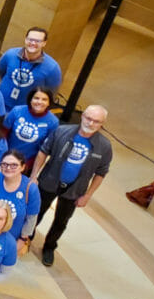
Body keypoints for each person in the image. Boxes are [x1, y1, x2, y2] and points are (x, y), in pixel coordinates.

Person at [30, 105, 112, 267]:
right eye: (88, 118)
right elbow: (43, 151)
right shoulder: (62, 132)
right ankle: (26, 238)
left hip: (75, 190)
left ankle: (49, 247)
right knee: (35, 213)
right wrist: (34, 176)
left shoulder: (104, 146)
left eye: (96, 121)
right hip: (49, 181)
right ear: (82, 116)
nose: (91, 123)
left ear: (102, 124)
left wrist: (88, 195)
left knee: (61, 221)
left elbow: (101, 173)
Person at [0, 149, 40, 256]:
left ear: (23, 167)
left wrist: (22, 239)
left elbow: (31, 218)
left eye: (14, 165)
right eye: (4, 164)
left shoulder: (30, 189)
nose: (8, 168)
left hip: (9, 240)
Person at [0, 27, 61, 109]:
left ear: (44, 43)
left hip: (26, 111)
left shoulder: (52, 67)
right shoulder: (10, 54)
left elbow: (51, 93)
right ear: (25, 39)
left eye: (38, 41)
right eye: (30, 39)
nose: (33, 43)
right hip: (0, 105)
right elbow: (1, 72)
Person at [4, 87, 58, 167]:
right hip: (5, 155)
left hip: (27, 163)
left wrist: (28, 165)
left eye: (44, 99)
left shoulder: (53, 122)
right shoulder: (17, 111)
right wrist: (3, 154)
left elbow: (45, 149)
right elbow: (3, 133)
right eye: (36, 98)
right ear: (30, 99)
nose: (39, 102)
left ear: (49, 103)